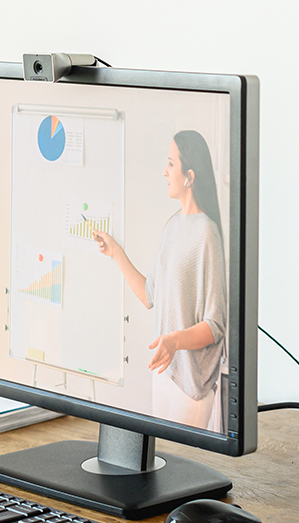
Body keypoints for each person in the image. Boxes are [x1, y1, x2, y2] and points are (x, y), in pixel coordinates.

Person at [92, 130, 228, 431]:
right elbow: (149, 295)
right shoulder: (172, 226)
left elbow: (215, 325)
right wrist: (116, 253)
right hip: (163, 375)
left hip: (190, 385)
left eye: (170, 164)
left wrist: (174, 341)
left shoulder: (206, 233)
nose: (164, 172)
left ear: (189, 176)